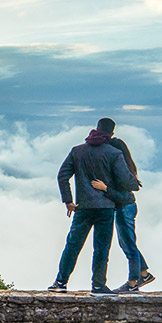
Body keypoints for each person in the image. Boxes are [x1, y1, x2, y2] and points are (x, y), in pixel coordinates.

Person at [48, 117, 140, 295]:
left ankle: (60, 282)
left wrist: (68, 201)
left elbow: (62, 176)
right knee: (101, 248)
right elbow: (128, 182)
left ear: (95, 129)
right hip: (105, 208)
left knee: (73, 245)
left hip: (83, 207)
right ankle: (98, 286)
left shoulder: (77, 151)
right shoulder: (114, 153)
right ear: (111, 134)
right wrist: (129, 185)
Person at [88, 118, 155, 293]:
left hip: (125, 206)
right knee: (126, 242)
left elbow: (125, 191)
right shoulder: (121, 158)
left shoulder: (121, 171)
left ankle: (133, 283)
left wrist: (105, 188)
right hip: (125, 206)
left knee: (128, 244)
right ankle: (144, 273)